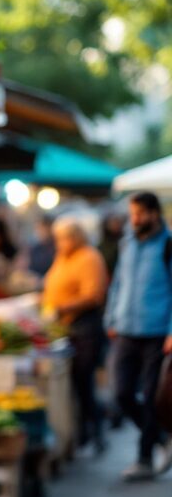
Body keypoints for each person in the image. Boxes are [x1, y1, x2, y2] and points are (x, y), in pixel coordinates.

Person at [104, 191, 172, 481]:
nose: (135, 220)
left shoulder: (168, 245)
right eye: (132, 214)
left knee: (149, 394)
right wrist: (111, 317)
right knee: (120, 392)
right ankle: (160, 436)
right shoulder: (128, 243)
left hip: (156, 332)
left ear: (154, 213)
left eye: (140, 214)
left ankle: (144, 458)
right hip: (126, 329)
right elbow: (118, 283)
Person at [42, 218, 109, 452]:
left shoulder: (89, 258)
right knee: (73, 382)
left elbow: (94, 295)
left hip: (85, 327)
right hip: (65, 327)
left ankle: (95, 430)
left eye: (64, 238)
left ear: (76, 236)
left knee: (83, 380)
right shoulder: (64, 257)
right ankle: (80, 431)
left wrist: (62, 308)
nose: (60, 243)